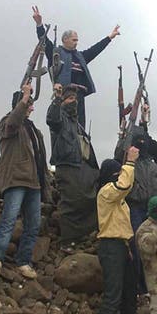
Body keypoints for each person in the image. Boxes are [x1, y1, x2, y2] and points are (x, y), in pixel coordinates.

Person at [0, 83, 50, 279]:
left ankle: (24, 261)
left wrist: (44, 181)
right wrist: (25, 97)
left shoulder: (34, 130)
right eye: (28, 104)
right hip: (16, 180)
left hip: (34, 182)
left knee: (33, 224)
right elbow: (13, 122)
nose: (31, 107)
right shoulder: (8, 122)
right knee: (9, 220)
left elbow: (40, 158)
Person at [32, 6, 120, 129]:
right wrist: (39, 24)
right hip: (64, 94)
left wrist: (110, 37)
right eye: (74, 40)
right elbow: (44, 41)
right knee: (64, 126)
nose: (76, 42)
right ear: (65, 40)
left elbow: (95, 50)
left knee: (79, 127)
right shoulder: (56, 53)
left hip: (79, 96)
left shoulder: (80, 56)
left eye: (77, 40)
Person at [92, 148, 139, 314]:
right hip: (110, 246)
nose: (120, 174)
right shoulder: (106, 192)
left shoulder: (116, 198)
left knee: (129, 289)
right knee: (113, 294)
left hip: (121, 245)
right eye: (117, 172)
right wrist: (130, 162)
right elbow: (124, 185)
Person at [47, 84, 99, 253]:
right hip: (67, 165)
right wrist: (56, 98)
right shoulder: (60, 119)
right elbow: (52, 119)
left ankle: (84, 234)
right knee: (70, 202)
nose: (73, 102)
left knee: (88, 196)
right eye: (70, 99)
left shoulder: (75, 123)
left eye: (75, 100)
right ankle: (67, 240)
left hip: (80, 165)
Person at [116, 118, 157, 295]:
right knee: (137, 247)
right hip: (134, 208)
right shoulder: (127, 164)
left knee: (154, 246)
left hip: (152, 212)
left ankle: (152, 283)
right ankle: (140, 285)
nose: (141, 145)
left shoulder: (155, 167)